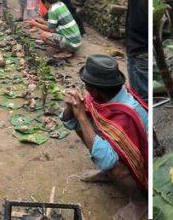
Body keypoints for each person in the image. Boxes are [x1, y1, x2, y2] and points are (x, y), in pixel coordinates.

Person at [61, 55, 148, 215]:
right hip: (120, 150)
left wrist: (80, 116)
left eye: (86, 85)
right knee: (85, 119)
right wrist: (71, 108)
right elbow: (68, 122)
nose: (85, 88)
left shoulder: (126, 113)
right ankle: (107, 175)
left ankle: (139, 202)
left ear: (95, 89)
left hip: (144, 164)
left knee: (115, 168)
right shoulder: (103, 96)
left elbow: (107, 161)